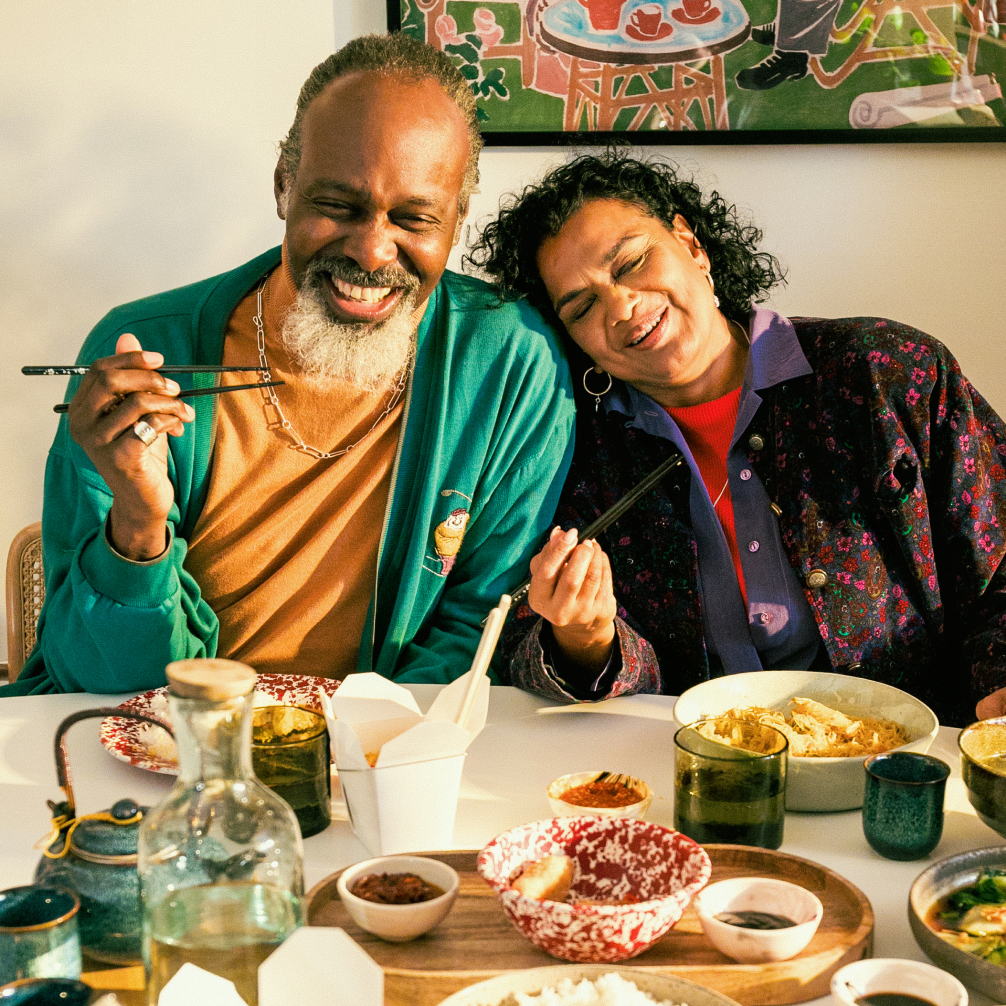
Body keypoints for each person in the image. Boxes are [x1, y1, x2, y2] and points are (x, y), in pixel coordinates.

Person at [2, 34, 574, 697]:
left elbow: (480, 629)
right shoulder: (147, 354)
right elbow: (97, 680)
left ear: (456, 219)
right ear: (284, 185)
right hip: (165, 740)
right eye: (339, 206)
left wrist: (343, 750)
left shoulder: (508, 361)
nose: (371, 250)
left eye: (414, 218)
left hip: (383, 752)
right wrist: (138, 526)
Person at [469, 151, 1006, 728]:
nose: (621, 307)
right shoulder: (574, 447)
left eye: (630, 263)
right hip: (697, 773)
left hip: (913, 767)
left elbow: (999, 568)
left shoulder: (885, 375)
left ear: (692, 246)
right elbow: (522, 644)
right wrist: (586, 636)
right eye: (582, 306)